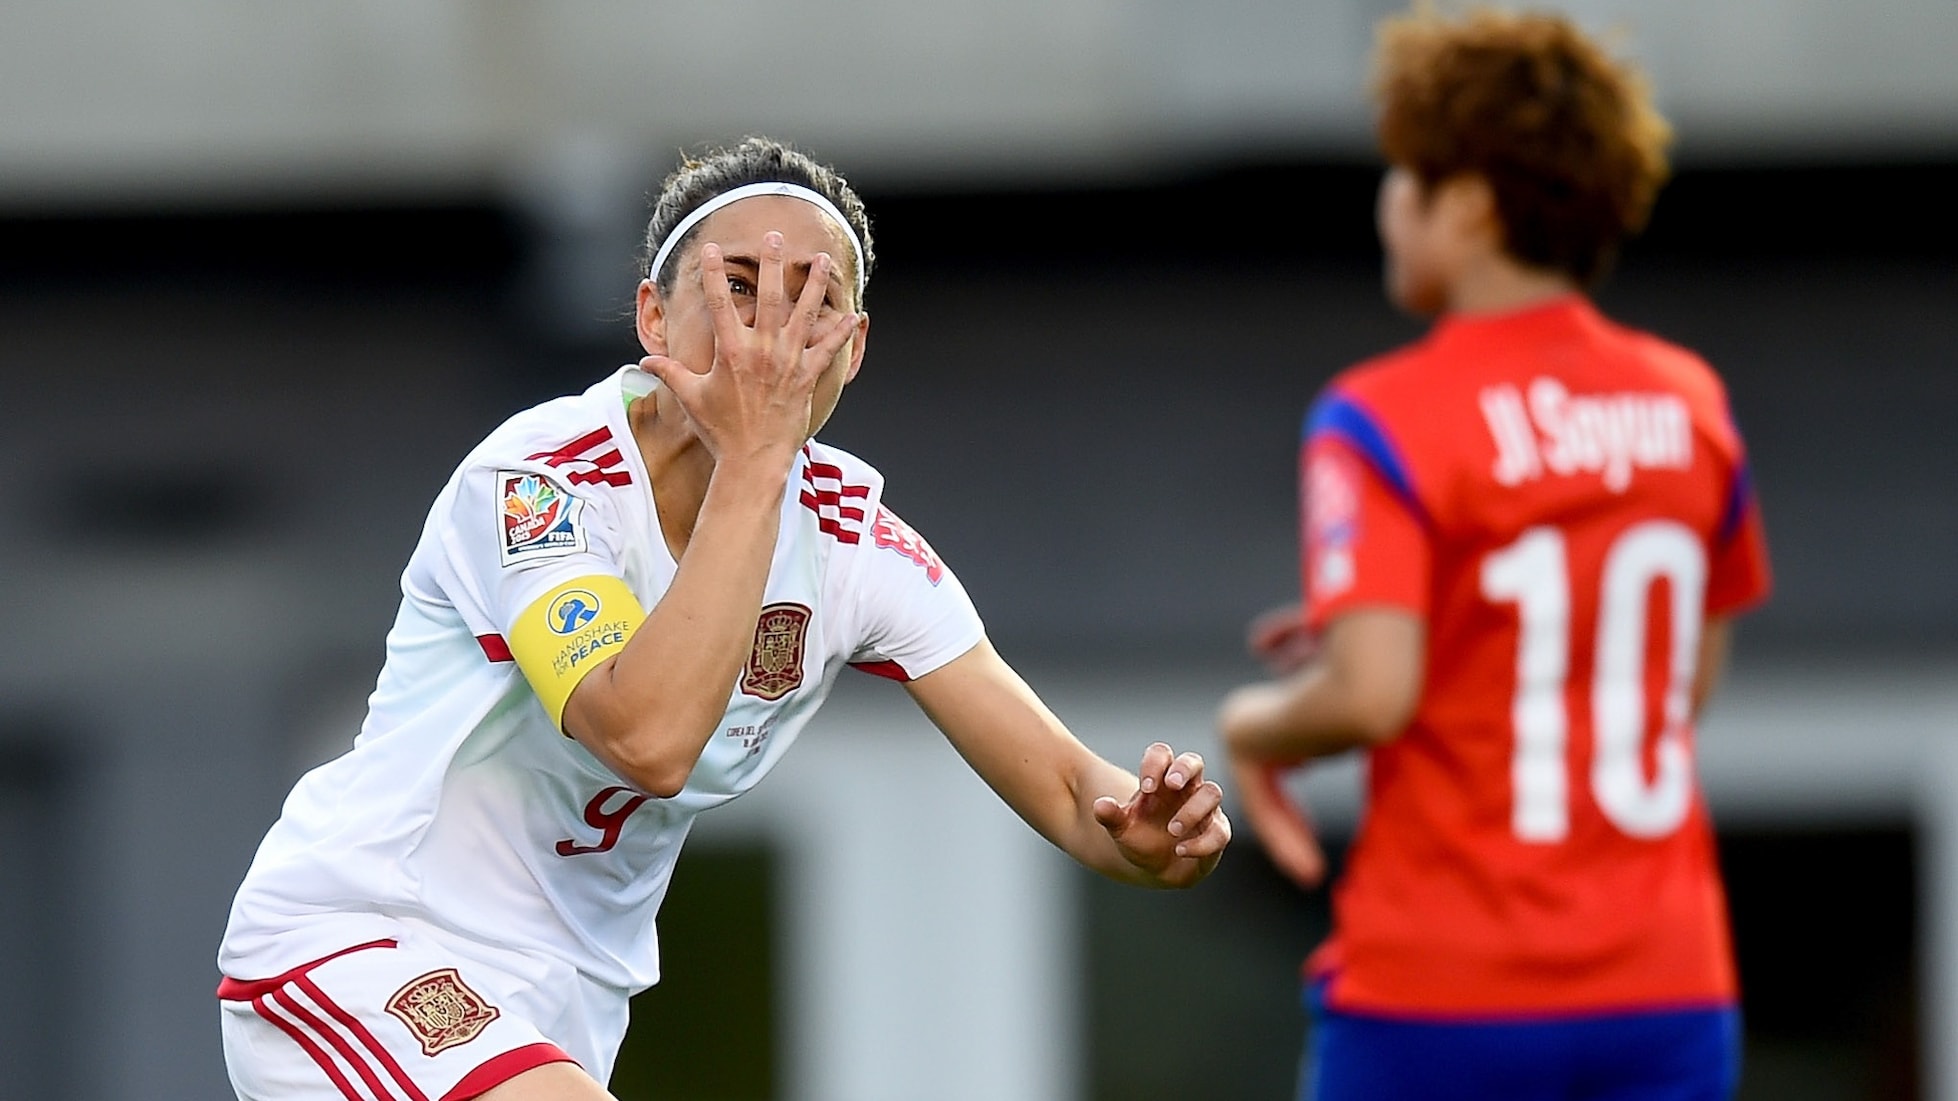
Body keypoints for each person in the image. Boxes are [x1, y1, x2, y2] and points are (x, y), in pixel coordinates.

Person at [216, 136, 1231, 1101]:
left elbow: (1065, 789)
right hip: (364, 940)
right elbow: (645, 739)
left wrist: (1146, 836)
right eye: (738, 286)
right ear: (655, 320)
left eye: (813, 300)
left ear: (854, 350)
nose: (770, 332)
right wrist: (754, 458)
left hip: (563, 1005)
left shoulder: (855, 548)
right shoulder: (536, 484)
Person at [1218, 9, 1772, 1100]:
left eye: (1402, 172)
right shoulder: (1690, 402)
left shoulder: (1377, 415)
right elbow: (1676, 682)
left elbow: (1373, 695)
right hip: (1664, 987)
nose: (1386, 198)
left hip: (1443, 990)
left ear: (1464, 201)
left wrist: (1254, 725)